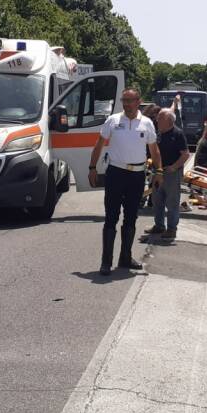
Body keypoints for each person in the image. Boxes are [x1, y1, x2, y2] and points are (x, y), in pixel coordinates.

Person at [88, 88, 163, 276]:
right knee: (111, 217)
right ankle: (106, 262)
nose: (127, 104)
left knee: (131, 218)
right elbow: (99, 144)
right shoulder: (113, 120)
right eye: (124, 100)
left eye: (130, 100)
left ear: (139, 101)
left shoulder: (146, 123)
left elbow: (154, 150)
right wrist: (92, 168)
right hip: (115, 173)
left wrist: (159, 171)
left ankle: (125, 258)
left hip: (136, 176)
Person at [145, 108, 190, 241]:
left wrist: (174, 167)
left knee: (172, 202)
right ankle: (159, 226)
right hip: (157, 172)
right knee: (156, 201)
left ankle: (171, 229)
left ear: (169, 120)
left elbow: (185, 154)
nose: (157, 120)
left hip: (171, 173)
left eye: (160, 118)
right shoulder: (157, 133)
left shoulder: (177, 133)